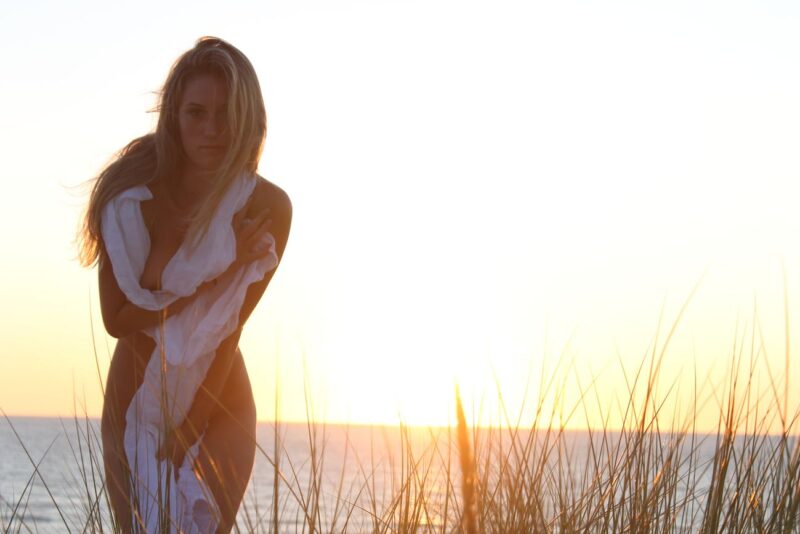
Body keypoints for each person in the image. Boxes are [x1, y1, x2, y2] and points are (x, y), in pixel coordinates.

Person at [79, 37, 292, 533]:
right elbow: (117, 321)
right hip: (136, 392)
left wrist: (191, 426)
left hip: (221, 395)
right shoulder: (130, 193)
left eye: (226, 114)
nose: (212, 130)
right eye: (196, 113)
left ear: (248, 118)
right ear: (174, 115)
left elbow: (229, 330)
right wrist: (215, 266)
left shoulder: (268, 206)